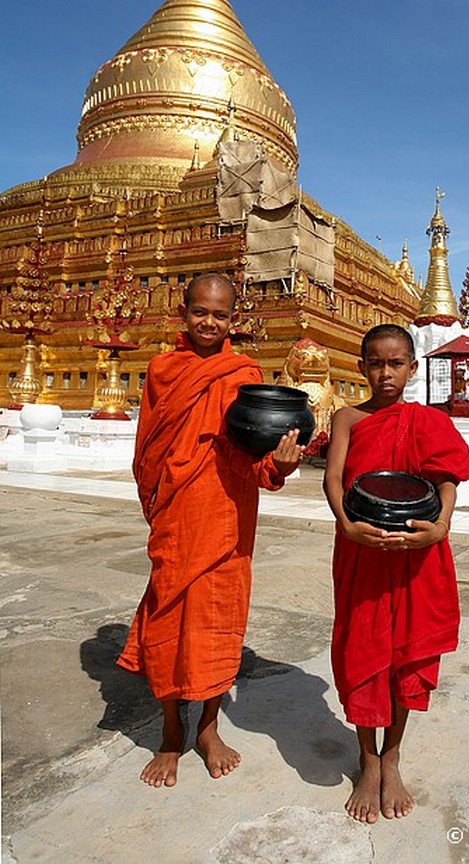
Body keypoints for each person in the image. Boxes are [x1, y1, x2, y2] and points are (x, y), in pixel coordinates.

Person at [117, 272, 303, 788]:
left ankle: (208, 727)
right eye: (201, 311)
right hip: (177, 510)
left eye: (220, 315)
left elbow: (253, 448)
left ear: (232, 319)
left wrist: (280, 466)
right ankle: (171, 731)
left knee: (218, 619)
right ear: (184, 311)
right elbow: (148, 447)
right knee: (168, 619)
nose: (209, 322)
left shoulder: (241, 372)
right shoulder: (162, 370)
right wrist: (153, 497)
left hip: (226, 511)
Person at [323, 324, 469, 823]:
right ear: (361, 367)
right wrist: (348, 526)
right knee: (362, 651)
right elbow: (332, 478)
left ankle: (393, 756)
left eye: (396, 364)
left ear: (412, 368)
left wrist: (441, 529)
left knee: (407, 655)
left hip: (418, 552)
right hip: (362, 550)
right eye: (375, 363)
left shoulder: (426, 420)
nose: (385, 373)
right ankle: (367, 759)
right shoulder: (347, 417)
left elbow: (446, 479)